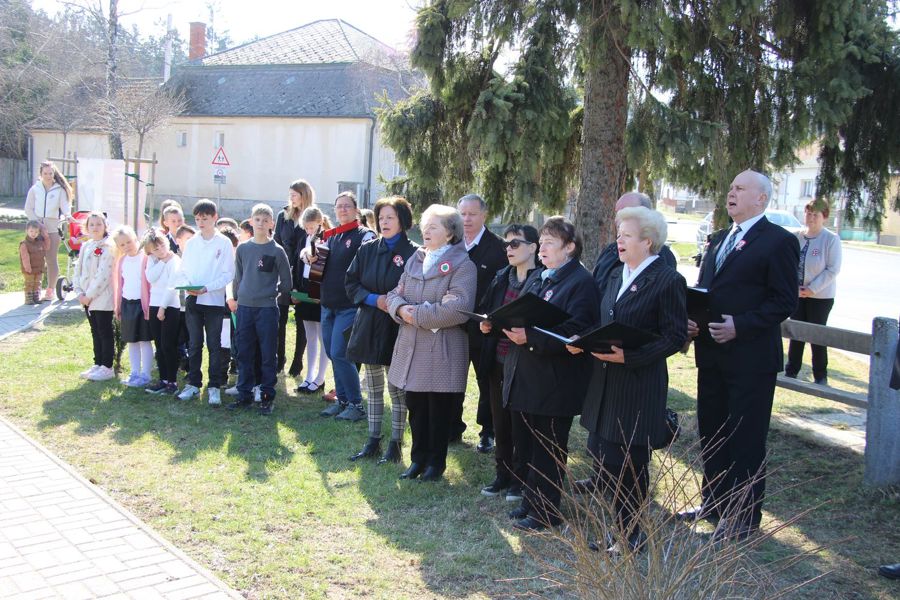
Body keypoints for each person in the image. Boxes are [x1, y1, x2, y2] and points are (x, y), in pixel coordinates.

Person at [681, 169, 799, 541]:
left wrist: (741, 325)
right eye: (730, 187)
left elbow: (784, 301)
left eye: (740, 188)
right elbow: (706, 290)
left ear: (761, 198)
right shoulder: (718, 239)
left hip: (751, 359)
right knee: (713, 431)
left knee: (744, 437)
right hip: (712, 354)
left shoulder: (778, 241)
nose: (731, 193)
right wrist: (693, 320)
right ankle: (714, 503)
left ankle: (744, 518)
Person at [574, 207, 687, 554]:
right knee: (607, 461)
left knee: (629, 464)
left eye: (626, 235)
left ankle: (631, 535)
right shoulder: (615, 274)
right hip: (605, 382)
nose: (618, 241)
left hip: (637, 385)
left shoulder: (667, 280)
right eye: (618, 234)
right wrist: (583, 340)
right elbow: (605, 321)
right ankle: (617, 531)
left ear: (647, 241)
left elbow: (674, 337)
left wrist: (630, 357)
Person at [495, 216, 600, 531]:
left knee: (548, 449)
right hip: (526, 375)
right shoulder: (541, 277)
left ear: (569, 248)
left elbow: (577, 329)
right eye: (541, 243)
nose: (542, 249)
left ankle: (546, 511)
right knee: (527, 444)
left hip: (555, 381)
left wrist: (531, 336)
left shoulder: (581, 282)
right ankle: (531, 502)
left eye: (550, 243)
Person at [387, 204, 477, 482]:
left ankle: (435, 464)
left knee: (438, 409)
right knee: (416, 406)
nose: (425, 231)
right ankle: (418, 459)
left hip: (442, 350)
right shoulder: (415, 260)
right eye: (425, 225)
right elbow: (394, 294)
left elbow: (458, 308)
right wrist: (401, 309)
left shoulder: (463, 265)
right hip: (413, 347)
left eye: (433, 226)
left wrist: (415, 314)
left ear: (449, 233)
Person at [346, 196, 419, 464]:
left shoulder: (414, 253)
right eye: (381, 218)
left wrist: (395, 305)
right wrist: (373, 299)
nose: (384, 222)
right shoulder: (367, 249)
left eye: (390, 218)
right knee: (374, 386)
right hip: (369, 323)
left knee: (396, 388)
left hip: (397, 326)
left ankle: (396, 444)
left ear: (402, 221)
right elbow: (351, 283)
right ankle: (373, 440)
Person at [477, 224, 540, 501]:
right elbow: (487, 309)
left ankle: (520, 479)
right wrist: (486, 324)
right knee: (500, 421)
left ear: (533, 247)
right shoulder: (502, 276)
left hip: (526, 363)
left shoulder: (542, 280)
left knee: (521, 424)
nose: (509, 249)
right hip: (498, 359)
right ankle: (502, 474)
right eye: (507, 244)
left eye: (515, 244)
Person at [302, 191, 375, 421]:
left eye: (347, 206)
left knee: (340, 354)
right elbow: (311, 258)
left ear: (356, 210)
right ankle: (342, 401)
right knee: (333, 354)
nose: (342, 209)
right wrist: (309, 254)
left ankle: (356, 404)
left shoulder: (365, 235)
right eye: (339, 206)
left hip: (349, 305)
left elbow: (370, 265)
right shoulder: (331, 236)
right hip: (327, 304)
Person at [227, 204, 292, 415]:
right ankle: (244, 394)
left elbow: (287, 282)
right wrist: (236, 298)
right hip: (244, 308)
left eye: (265, 220)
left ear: (272, 223)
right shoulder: (243, 249)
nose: (261, 224)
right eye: (257, 220)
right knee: (244, 353)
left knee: (267, 354)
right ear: (251, 221)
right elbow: (238, 277)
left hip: (267, 310)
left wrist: (272, 294)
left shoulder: (277, 251)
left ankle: (266, 396)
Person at [456, 193, 507, 452]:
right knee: (452, 377)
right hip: (453, 325)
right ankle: (452, 427)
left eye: (472, 214)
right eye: (462, 214)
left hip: (483, 327)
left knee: (485, 380)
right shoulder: (452, 244)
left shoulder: (498, 248)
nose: (466, 219)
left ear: (484, 215)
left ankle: (487, 431)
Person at [174, 199, 235, 405]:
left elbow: (228, 274)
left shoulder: (224, 243)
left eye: (205, 219)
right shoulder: (192, 243)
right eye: (198, 219)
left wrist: (207, 288)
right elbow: (183, 271)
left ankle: (214, 386)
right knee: (194, 343)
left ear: (214, 218)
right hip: (193, 300)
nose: (201, 223)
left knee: (214, 345)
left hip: (214, 302)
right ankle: (193, 383)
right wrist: (189, 286)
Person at [784, 198, 842, 386]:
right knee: (796, 332)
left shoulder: (830, 239)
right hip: (797, 295)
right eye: (808, 214)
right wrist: (795, 288)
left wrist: (811, 289)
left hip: (820, 297)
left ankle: (820, 375)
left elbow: (832, 269)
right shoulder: (797, 237)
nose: (811, 218)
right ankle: (791, 370)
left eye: (815, 215)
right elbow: (788, 264)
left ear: (824, 217)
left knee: (817, 335)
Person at [276, 179, 314, 376]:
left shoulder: (312, 215)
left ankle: (297, 362)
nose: (290, 198)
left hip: (303, 273)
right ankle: (279, 360)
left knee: (302, 319)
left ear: (303, 195)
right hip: (283, 271)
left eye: (294, 194)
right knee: (280, 318)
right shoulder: (283, 215)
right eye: (289, 194)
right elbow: (276, 241)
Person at [73, 212, 116, 382]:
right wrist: (79, 292)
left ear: (105, 226)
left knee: (104, 331)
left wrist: (89, 295)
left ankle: (107, 366)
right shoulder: (86, 246)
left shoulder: (108, 247)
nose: (95, 227)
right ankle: (97, 363)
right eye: (92, 224)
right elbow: (78, 270)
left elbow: (103, 275)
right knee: (95, 331)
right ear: (86, 227)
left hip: (101, 297)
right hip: (86, 297)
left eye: (99, 224)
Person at [293, 206, 331, 394]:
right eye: (306, 228)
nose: (309, 231)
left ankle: (320, 377)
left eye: (312, 227)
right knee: (310, 336)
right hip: (305, 288)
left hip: (320, 290)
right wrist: (295, 289)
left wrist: (321, 293)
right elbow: (298, 263)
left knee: (323, 337)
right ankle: (309, 376)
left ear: (320, 223)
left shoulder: (328, 238)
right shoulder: (304, 238)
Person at [24, 160, 73, 302]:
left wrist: (68, 216)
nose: (48, 176)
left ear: (54, 173)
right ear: (41, 174)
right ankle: (33, 290)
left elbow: (65, 207)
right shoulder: (35, 189)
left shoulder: (60, 190)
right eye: (45, 173)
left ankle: (50, 290)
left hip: (52, 227)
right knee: (35, 260)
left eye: (50, 173)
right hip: (35, 229)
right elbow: (28, 208)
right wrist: (37, 223)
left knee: (51, 259)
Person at [112, 225, 153, 388]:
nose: (127, 246)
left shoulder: (145, 258)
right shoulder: (122, 261)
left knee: (144, 340)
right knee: (132, 341)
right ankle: (135, 372)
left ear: (136, 239)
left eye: (129, 242)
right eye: (122, 244)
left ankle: (146, 374)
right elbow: (119, 285)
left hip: (142, 304)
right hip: (127, 304)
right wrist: (118, 306)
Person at [142, 229, 182, 395]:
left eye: (162, 246)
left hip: (170, 306)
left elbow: (172, 285)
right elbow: (150, 278)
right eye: (156, 249)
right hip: (154, 304)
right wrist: (162, 262)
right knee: (159, 344)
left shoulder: (175, 260)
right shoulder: (153, 260)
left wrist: (163, 307)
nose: (161, 251)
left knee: (168, 344)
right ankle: (163, 379)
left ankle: (172, 381)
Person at [19, 220, 50, 305]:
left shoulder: (40, 242)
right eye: (31, 231)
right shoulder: (24, 244)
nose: (34, 234)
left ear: (39, 232)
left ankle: (36, 297)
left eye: (36, 232)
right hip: (29, 269)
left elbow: (47, 247)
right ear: (27, 231)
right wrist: (27, 268)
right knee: (29, 283)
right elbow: (25, 257)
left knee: (37, 283)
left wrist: (46, 237)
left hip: (39, 268)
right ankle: (28, 298)